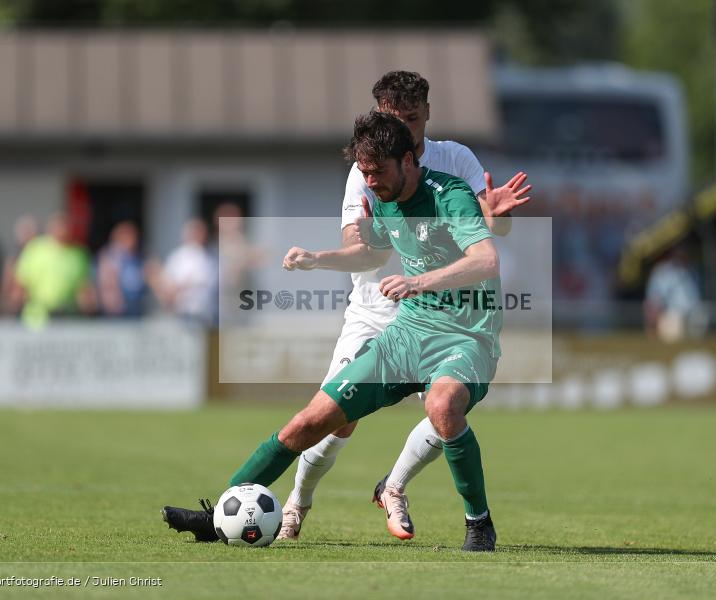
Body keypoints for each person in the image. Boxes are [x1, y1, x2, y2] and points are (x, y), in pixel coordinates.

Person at [164, 111, 504, 551]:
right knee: (306, 424)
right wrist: (317, 258)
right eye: (364, 172)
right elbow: (372, 254)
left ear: (407, 160)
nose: (370, 181)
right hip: (409, 333)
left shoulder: (450, 194)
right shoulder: (382, 197)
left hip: (466, 334)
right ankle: (216, 517)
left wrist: (418, 281)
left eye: (377, 171)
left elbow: (485, 260)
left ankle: (478, 523)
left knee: (442, 405)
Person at [275, 71, 529, 542]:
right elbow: (362, 246)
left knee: (446, 408)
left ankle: (393, 487)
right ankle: (296, 504)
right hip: (374, 308)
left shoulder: (456, 160)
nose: (405, 129)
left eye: (412, 118)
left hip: (439, 309)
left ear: (427, 114)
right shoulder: (366, 169)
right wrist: (322, 257)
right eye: (394, 119)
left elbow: (485, 233)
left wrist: (497, 217)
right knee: (338, 420)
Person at [14, 213, 95, 329]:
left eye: (65, 227)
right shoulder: (34, 249)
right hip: (37, 318)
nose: (61, 231)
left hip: (67, 318)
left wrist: (89, 312)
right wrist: (12, 312)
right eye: (58, 227)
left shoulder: (79, 254)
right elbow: (21, 284)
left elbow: (83, 289)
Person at [153, 219, 215, 324]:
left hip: (202, 313)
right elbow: (166, 284)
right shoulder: (177, 256)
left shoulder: (207, 257)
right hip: (180, 313)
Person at [96, 221, 147, 318]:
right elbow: (107, 281)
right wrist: (113, 299)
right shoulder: (111, 255)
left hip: (134, 302)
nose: (133, 240)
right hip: (118, 304)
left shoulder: (136, 256)